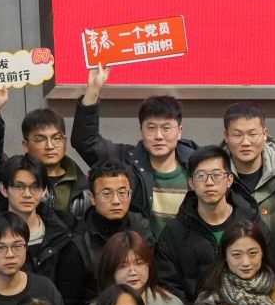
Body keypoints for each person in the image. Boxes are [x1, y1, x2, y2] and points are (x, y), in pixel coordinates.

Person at [72, 67, 196, 221]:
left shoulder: (197, 165)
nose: (158, 136)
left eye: (166, 128)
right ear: (141, 131)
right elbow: (85, 141)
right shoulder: (126, 161)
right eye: (151, 128)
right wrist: (93, 92)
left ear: (179, 131)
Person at [57, 160, 157, 305]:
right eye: (107, 193)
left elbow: (155, 282)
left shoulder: (143, 229)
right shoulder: (77, 244)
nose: (116, 201)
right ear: (92, 198)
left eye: (122, 192)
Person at [155, 145, 258, 298]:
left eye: (216, 175)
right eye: (201, 176)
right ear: (191, 183)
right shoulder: (174, 233)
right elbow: (169, 288)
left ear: (229, 180)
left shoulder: (251, 222)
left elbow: (268, 272)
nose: (209, 182)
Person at [0, 153, 75, 294]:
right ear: (4, 189)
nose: (27, 194)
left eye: (35, 187)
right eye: (19, 187)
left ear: (44, 190)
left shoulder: (62, 232)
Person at [0, 86, 85, 215]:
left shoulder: (85, 184)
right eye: (39, 139)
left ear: (65, 142)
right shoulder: (11, 175)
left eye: (56, 138)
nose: (50, 146)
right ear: (25, 145)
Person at [220, 100, 275, 229]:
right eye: (237, 135)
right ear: (226, 136)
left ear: (264, 134)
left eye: (252, 134)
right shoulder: (215, 176)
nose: (245, 142)